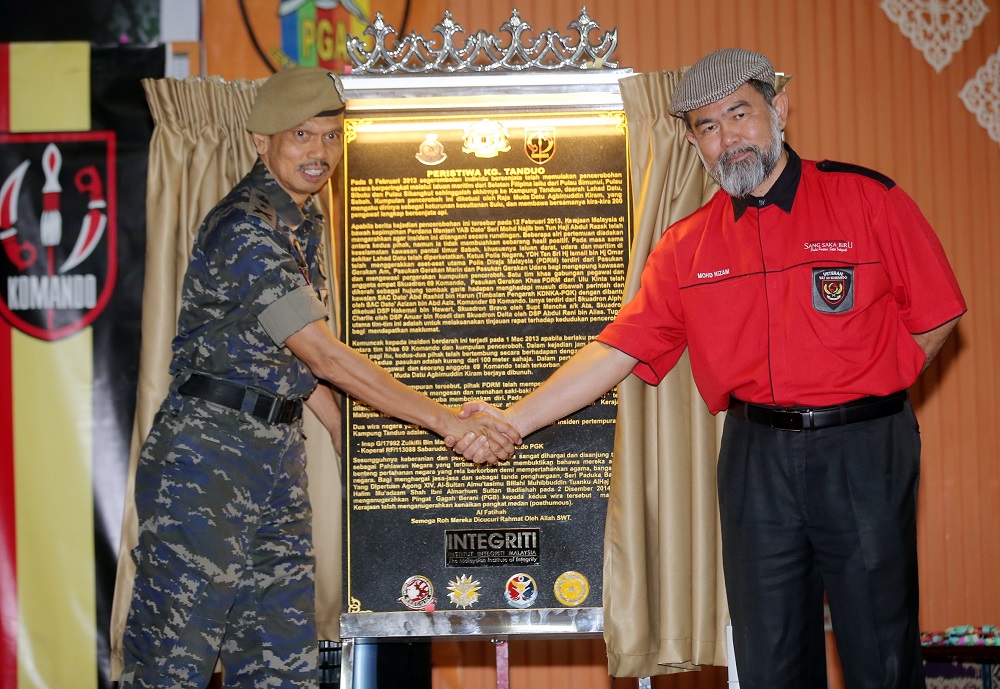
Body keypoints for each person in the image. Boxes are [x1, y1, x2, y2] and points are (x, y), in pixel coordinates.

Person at [453, 48, 966, 689]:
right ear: (694, 141)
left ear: (777, 109)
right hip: (756, 459)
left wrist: (872, 387)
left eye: (740, 114)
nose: (728, 138)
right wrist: (512, 421)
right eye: (707, 126)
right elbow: (617, 350)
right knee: (769, 655)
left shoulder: (866, 199)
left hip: (863, 448)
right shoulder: (685, 245)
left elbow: (938, 315)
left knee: (880, 651)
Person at [118, 66, 519, 688]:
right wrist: (444, 420)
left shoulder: (301, 226)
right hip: (206, 459)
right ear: (262, 141)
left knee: (281, 660)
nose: (320, 153)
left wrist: (344, 439)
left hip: (273, 454)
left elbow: (304, 372)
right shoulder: (246, 227)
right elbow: (322, 353)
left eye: (332, 137)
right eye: (302, 135)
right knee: (173, 661)